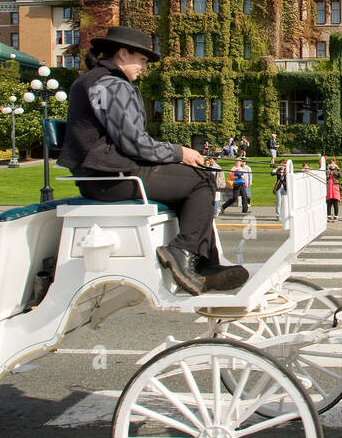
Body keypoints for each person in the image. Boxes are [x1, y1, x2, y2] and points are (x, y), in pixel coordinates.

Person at [59, 26, 246, 295]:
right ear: (123, 54)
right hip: (111, 178)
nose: (144, 67)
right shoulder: (112, 84)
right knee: (201, 181)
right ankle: (186, 254)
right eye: (143, 60)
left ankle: (203, 264)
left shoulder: (96, 80)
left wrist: (175, 156)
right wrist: (179, 153)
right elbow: (134, 143)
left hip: (104, 175)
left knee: (191, 178)